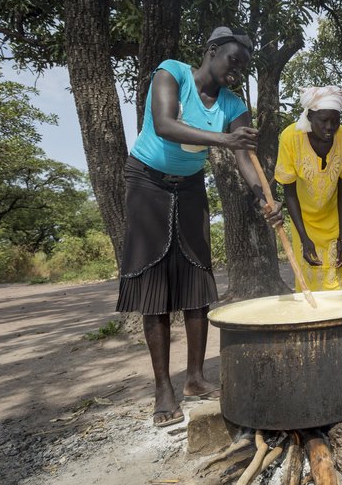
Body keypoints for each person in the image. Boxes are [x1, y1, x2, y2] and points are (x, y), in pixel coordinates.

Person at [117, 26, 280, 428]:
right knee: (154, 285)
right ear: (211, 52)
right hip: (147, 182)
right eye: (232, 61)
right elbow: (165, 124)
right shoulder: (171, 73)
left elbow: (245, 157)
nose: (236, 72)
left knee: (195, 279)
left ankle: (194, 378)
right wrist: (224, 140)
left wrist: (264, 199)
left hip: (189, 186)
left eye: (243, 67)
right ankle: (162, 389)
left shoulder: (232, 103)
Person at [274, 86, 342, 291]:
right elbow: (289, 192)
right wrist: (303, 238)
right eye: (323, 121)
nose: (330, 127)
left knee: (335, 282)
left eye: (335, 121)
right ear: (310, 116)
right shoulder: (290, 137)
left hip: (334, 219)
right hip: (303, 221)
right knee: (308, 283)